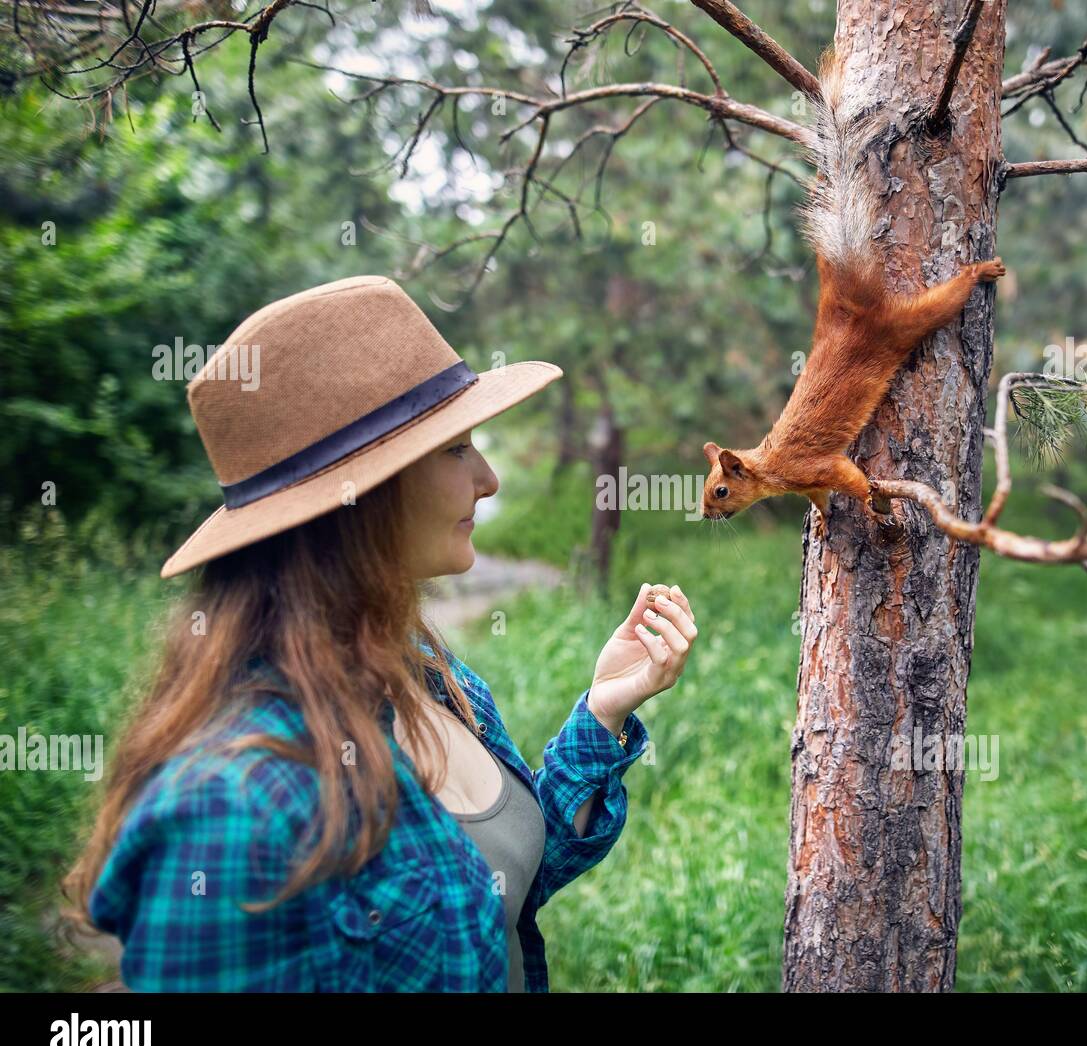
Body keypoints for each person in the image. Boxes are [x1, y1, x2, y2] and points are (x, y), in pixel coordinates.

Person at [60, 275, 698, 992]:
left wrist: (604, 712)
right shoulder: (239, 804)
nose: (488, 480)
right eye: (456, 448)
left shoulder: (427, 670)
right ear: (361, 496)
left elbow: (490, 890)